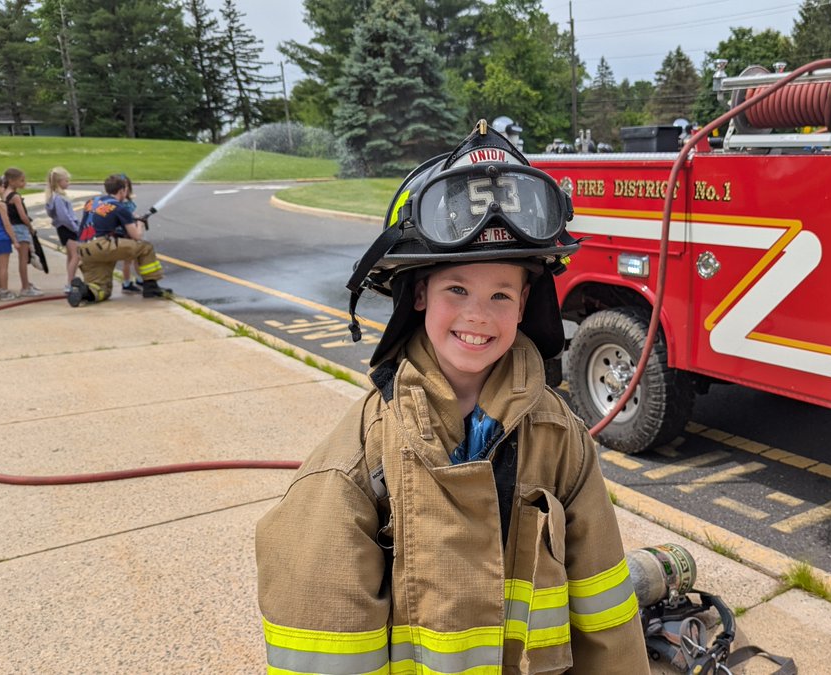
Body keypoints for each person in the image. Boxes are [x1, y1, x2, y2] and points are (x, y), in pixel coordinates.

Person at [255, 121, 650, 673]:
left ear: (525, 304)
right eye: (456, 289)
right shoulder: (359, 462)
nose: (478, 315)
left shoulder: (561, 442)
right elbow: (323, 644)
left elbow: (606, 613)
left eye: (500, 294)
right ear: (418, 293)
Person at [67, 173, 169, 307]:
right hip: (102, 246)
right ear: (122, 190)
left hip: (83, 249)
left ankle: (85, 292)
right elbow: (136, 236)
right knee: (145, 247)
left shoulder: (91, 202)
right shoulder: (121, 208)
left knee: (102, 289)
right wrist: (140, 224)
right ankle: (151, 286)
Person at [2, 167, 44, 297]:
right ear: (11, 181)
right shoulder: (15, 197)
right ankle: (25, 287)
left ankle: (26, 284)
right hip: (20, 227)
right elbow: (23, 215)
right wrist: (30, 227)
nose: (24, 183)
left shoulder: (4, 193)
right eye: (21, 180)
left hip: (11, 227)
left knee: (23, 258)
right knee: (24, 259)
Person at [44, 166, 81, 290]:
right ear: (59, 182)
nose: (68, 183)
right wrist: (75, 227)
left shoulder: (53, 197)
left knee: (71, 255)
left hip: (63, 228)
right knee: (76, 255)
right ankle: (70, 282)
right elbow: (64, 216)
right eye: (66, 181)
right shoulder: (59, 198)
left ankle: (70, 280)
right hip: (67, 228)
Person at [118, 174, 143, 294]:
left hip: (130, 231)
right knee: (128, 260)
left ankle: (139, 279)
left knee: (137, 257)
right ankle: (127, 283)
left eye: (127, 186)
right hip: (126, 233)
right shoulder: (122, 204)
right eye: (124, 186)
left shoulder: (127, 201)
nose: (126, 189)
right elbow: (128, 216)